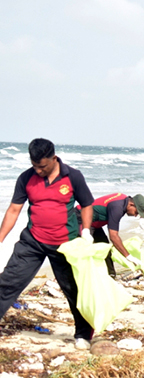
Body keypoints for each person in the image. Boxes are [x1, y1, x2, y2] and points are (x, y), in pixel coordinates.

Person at [0, 138, 95, 349]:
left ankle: (83, 334)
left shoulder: (73, 176)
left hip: (64, 243)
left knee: (74, 289)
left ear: (53, 158)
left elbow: (87, 204)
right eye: (34, 165)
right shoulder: (26, 178)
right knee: (9, 281)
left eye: (42, 166)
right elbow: (14, 210)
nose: (38, 170)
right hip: (32, 241)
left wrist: (86, 231)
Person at [81, 193, 144, 277]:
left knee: (105, 248)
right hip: (81, 219)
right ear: (131, 204)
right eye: (136, 212)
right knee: (84, 250)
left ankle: (111, 275)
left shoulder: (124, 200)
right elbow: (113, 236)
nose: (135, 215)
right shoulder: (117, 208)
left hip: (94, 224)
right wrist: (128, 256)